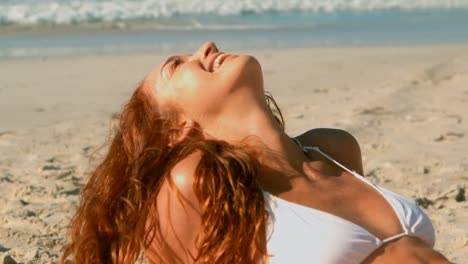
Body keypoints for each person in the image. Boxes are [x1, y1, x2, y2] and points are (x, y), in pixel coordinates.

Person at [61, 42, 451, 264]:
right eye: (177, 66)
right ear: (178, 129)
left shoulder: (335, 148)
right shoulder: (193, 183)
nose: (206, 47)